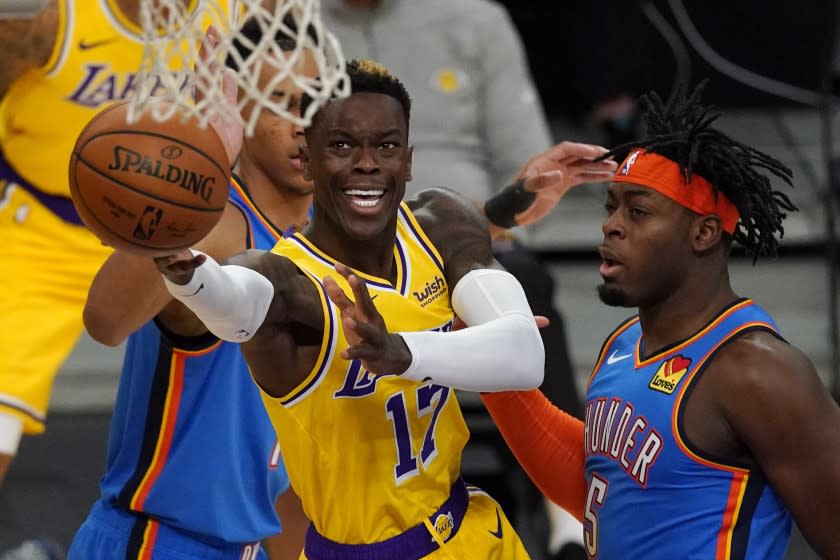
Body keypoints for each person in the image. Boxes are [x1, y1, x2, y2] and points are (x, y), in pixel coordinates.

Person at [149, 59, 615, 559]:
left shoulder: (441, 223)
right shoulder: (285, 280)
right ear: (307, 160)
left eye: (386, 146)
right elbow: (232, 300)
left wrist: (401, 352)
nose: (367, 163)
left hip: (474, 535)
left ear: (409, 161)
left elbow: (525, 356)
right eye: (342, 146)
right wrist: (187, 272)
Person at [480, 84, 840, 559]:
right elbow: (600, 487)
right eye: (611, 207)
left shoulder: (758, 371)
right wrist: (490, 366)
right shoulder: (625, 342)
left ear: (704, 232)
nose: (611, 225)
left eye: (638, 211)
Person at [320, 3, 588, 553]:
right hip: (340, 245)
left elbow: (528, 163)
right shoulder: (293, 28)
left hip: (464, 235)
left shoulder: (477, 19)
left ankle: (565, 502)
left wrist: (492, 215)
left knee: (525, 286)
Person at [65, 21, 312, 560]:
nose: (303, 124)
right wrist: (205, 162)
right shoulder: (217, 228)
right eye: (279, 102)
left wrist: (504, 211)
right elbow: (104, 321)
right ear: (240, 115)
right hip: (158, 542)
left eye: (314, 101)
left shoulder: (323, 243)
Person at [0, 0, 232, 542]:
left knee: (264, 394)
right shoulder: (48, 19)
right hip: (41, 227)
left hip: (173, 227)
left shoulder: (240, 13)